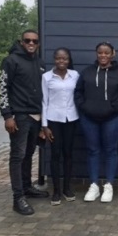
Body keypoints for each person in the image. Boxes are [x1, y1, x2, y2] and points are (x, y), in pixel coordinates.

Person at [0, 30, 48, 216]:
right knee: (17, 156)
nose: (31, 43)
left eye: (34, 41)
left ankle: (27, 187)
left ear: (38, 43)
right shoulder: (10, 61)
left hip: (36, 116)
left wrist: (44, 119)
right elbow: (2, 89)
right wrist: (7, 115)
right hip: (19, 116)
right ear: (21, 42)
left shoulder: (40, 63)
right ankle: (17, 197)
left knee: (29, 153)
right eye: (27, 40)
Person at [75, 41, 118, 203]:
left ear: (113, 53)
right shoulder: (87, 72)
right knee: (93, 151)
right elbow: (78, 92)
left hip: (112, 118)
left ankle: (109, 185)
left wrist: (113, 108)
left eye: (107, 53)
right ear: (96, 54)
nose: (103, 56)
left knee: (110, 150)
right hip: (89, 118)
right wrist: (85, 107)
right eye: (100, 52)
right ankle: (94, 185)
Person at [41, 47, 79, 206]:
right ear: (54, 59)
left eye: (64, 59)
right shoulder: (47, 77)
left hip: (71, 119)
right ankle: (56, 190)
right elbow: (44, 101)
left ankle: (67, 188)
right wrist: (44, 125)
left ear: (69, 60)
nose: (61, 61)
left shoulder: (75, 75)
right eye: (58, 58)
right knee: (55, 155)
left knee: (68, 154)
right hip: (54, 120)